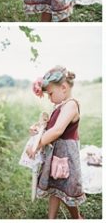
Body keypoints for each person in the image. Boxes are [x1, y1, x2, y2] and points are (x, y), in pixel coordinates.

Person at [27, 66, 84, 219]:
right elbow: (50, 126)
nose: (49, 98)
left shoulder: (71, 105)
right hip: (56, 156)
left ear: (63, 88)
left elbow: (58, 130)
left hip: (67, 157)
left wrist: (37, 145)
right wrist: (38, 129)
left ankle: (77, 217)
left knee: (67, 189)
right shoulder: (59, 105)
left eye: (50, 93)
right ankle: (51, 219)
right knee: (55, 188)